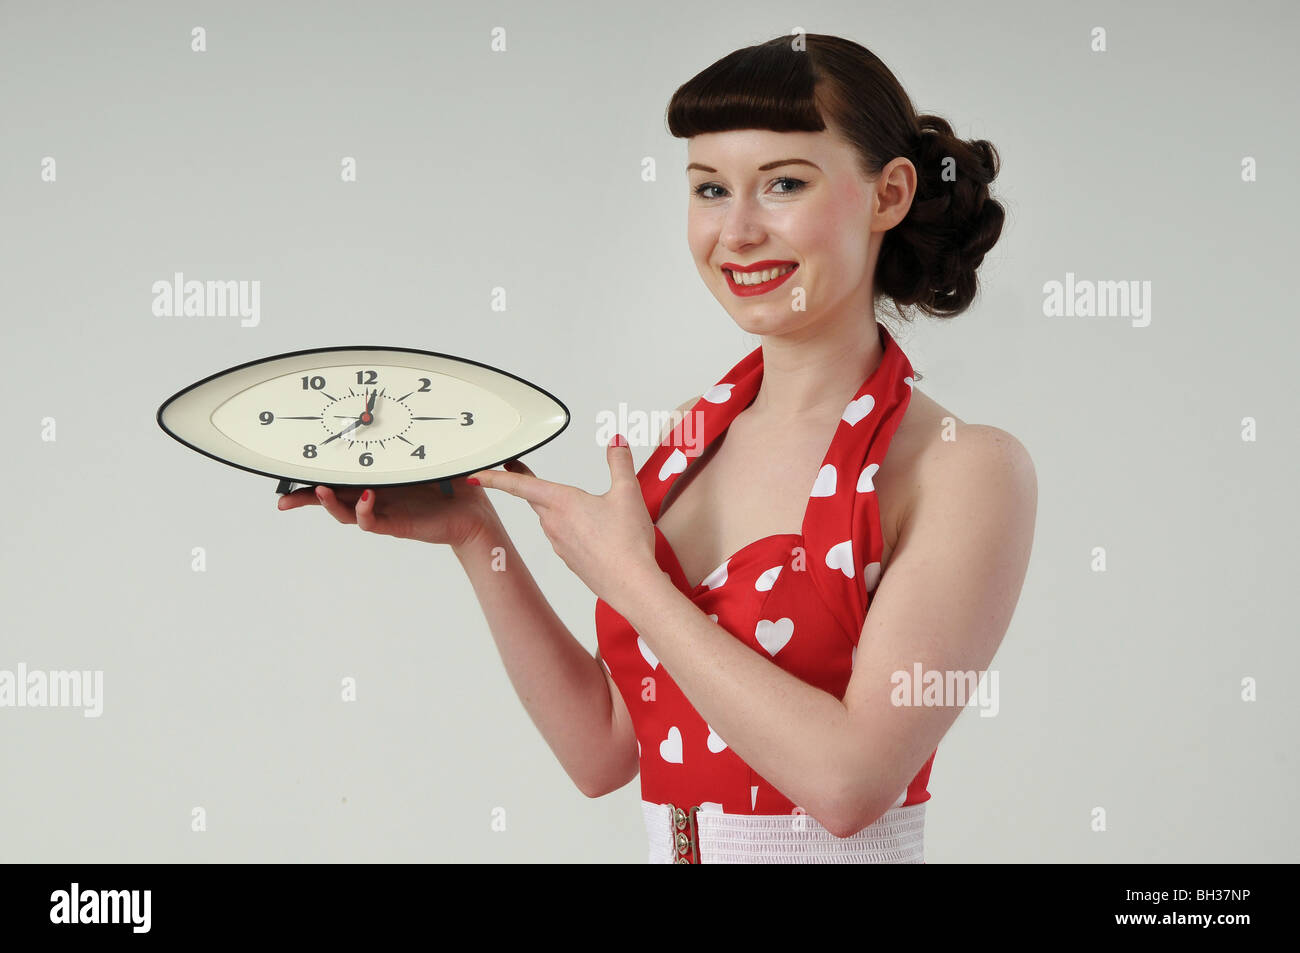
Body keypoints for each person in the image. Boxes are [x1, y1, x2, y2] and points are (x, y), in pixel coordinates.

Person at [277, 33, 1036, 863]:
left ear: (888, 194)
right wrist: (476, 534)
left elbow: (850, 785)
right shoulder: (685, 442)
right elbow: (605, 749)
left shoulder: (964, 466)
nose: (738, 231)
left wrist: (633, 580)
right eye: (710, 189)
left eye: (784, 183)